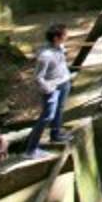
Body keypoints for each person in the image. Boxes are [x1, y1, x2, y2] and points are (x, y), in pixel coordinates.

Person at [25, 23, 72, 158]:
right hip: (52, 88)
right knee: (48, 116)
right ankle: (30, 149)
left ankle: (55, 134)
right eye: (65, 34)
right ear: (56, 38)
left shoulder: (60, 47)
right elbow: (37, 77)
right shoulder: (45, 55)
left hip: (64, 83)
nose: (67, 36)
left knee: (59, 109)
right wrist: (49, 89)